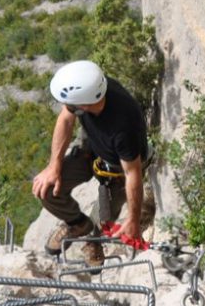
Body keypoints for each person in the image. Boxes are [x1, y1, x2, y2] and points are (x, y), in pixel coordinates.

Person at [31, 60, 154, 266]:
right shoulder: (93, 91)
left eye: (72, 104)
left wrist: (133, 220)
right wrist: (54, 166)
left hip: (117, 170)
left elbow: (133, 174)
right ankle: (77, 224)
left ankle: (94, 241)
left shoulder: (123, 127)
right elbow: (65, 119)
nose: (68, 107)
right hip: (92, 151)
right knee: (48, 189)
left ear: (85, 104)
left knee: (105, 217)